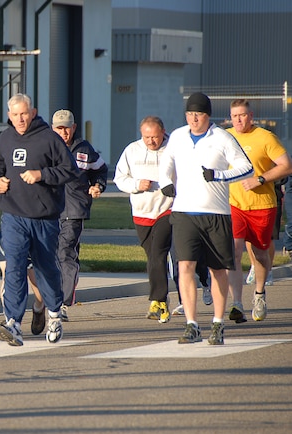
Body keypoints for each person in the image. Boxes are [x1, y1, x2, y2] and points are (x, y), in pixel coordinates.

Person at [159, 92, 253, 345]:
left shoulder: (222, 138)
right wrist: (165, 182)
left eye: (198, 114)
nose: (193, 118)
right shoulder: (178, 136)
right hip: (184, 213)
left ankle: (218, 323)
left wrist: (219, 175)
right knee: (185, 267)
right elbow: (165, 161)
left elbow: (247, 168)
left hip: (216, 214)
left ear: (207, 115)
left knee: (217, 270)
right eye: (189, 114)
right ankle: (191, 324)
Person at [0, 93, 78, 346]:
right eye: (15, 114)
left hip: (44, 217)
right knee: (14, 266)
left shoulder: (49, 138)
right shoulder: (5, 138)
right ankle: (13, 323)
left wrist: (42, 174)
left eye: (24, 113)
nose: (19, 119)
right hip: (13, 214)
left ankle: (53, 313)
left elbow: (70, 169)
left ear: (33, 112)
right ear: (9, 115)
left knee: (45, 269)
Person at [226, 99, 292, 323]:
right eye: (234, 116)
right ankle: (236, 303)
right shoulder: (224, 137)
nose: (238, 120)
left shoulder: (265, 137)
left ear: (251, 116)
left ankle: (259, 293)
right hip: (233, 204)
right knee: (234, 251)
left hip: (262, 205)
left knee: (261, 253)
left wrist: (260, 179)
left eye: (242, 115)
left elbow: (286, 165)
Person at [114, 116, 174, 323]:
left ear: (163, 132)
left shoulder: (173, 149)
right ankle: (163, 302)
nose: (151, 141)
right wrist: (137, 184)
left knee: (158, 253)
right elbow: (120, 178)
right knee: (153, 259)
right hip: (141, 211)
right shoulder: (132, 150)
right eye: (147, 137)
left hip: (167, 210)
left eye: (155, 137)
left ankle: (157, 300)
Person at [51, 109, 108, 322]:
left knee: (65, 252)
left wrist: (97, 186)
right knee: (50, 255)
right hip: (49, 210)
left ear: (74, 128)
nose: (64, 132)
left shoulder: (84, 149)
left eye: (67, 128)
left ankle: (62, 303)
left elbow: (100, 170)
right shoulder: (46, 146)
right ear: (52, 128)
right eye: (59, 128)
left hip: (74, 210)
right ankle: (50, 299)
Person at [0, 189, 46, 336]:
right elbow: (0, 179)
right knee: (8, 273)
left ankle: (39, 306)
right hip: (12, 225)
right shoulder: (9, 166)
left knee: (34, 277)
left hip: (35, 222)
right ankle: (10, 321)